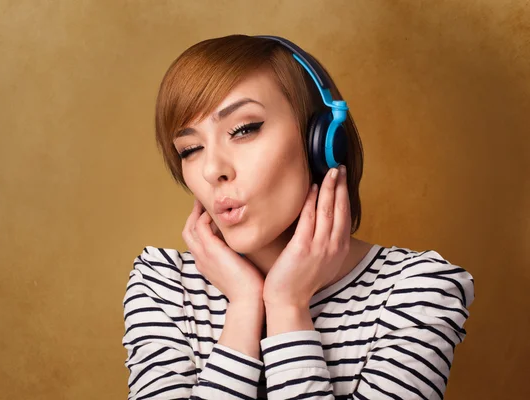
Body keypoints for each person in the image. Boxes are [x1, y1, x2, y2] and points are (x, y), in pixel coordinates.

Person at [122, 34, 474, 400]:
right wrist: (244, 306)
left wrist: (287, 306)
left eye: (244, 130)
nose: (212, 170)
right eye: (191, 149)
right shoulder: (164, 286)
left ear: (322, 141)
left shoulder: (418, 291)